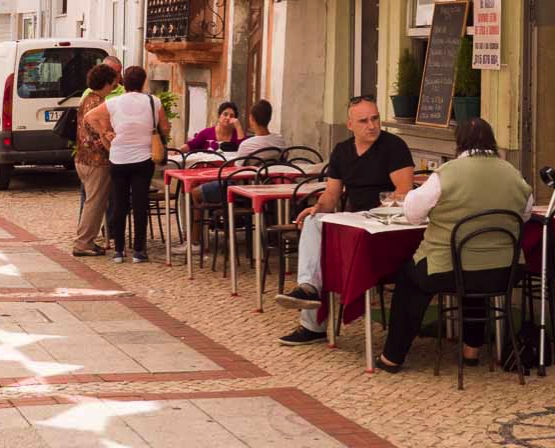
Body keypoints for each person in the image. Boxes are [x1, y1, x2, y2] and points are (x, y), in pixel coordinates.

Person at [376, 117, 533, 373]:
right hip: (505, 271)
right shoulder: (512, 173)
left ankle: (392, 356)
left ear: (458, 142)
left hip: (449, 269)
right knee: (473, 273)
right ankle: (471, 350)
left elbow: (413, 213)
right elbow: (524, 213)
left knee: (409, 279)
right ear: (492, 141)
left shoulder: (446, 174)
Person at [275, 95, 415, 346]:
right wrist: (317, 208)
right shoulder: (341, 151)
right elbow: (331, 194)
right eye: (363, 121)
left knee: (325, 246)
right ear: (350, 125)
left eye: (375, 119)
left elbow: (404, 191)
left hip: (384, 227)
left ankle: (312, 321)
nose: (371, 125)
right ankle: (308, 292)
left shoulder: (394, 146)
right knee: (312, 222)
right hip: (353, 221)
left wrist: (382, 207)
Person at [85, 65, 170, 264]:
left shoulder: (113, 102)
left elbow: (90, 117)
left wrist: (105, 133)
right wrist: (159, 134)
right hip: (143, 158)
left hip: (118, 158)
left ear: (123, 82)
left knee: (120, 204)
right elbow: (164, 127)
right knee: (140, 204)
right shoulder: (153, 101)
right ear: (143, 82)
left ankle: (119, 251)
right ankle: (139, 251)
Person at [181, 99, 286, 253]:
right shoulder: (280, 140)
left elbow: (237, 172)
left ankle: (194, 241)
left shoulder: (247, 145)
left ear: (251, 119)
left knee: (193, 192)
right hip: (267, 186)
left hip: (241, 190)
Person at [72, 64, 117, 257]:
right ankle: (83, 243)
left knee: (93, 200)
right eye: (113, 82)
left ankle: (86, 241)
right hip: (95, 160)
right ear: (106, 83)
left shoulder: (88, 98)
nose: (115, 85)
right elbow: (101, 133)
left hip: (82, 157)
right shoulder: (98, 104)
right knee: (95, 202)